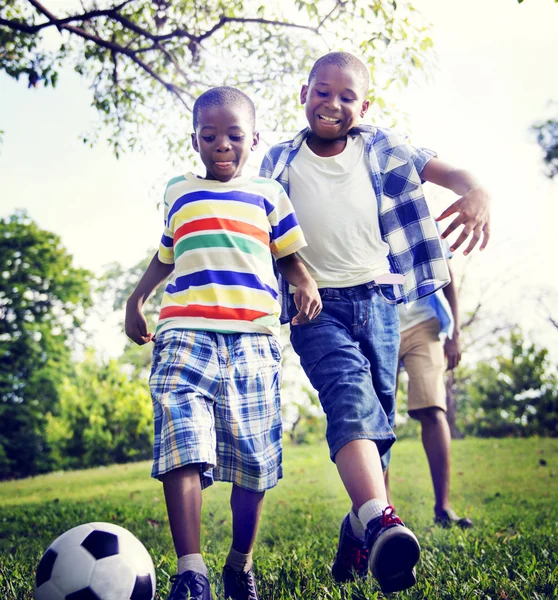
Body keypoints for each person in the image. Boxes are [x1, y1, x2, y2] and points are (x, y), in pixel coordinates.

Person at [260, 52, 490, 594]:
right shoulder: (277, 162)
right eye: (322, 91)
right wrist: (290, 276)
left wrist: (477, 190)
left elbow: (447, 170)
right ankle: (384, 521)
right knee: (348, 402)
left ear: (365, 107)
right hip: (315, 308)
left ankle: (357, 532)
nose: (332, 104)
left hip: (381, 303)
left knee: (378, 430)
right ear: (303, 93)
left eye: (346, 97)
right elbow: (256, 225)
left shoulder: (383, 147)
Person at [125, 86, 321, 600]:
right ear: (195, 139)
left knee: (253, 461)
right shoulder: (178, 192)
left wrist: (305, 282)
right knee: (180, 442)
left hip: (253, 340)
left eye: (234, 136)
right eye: (210, 136)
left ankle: (240, 564)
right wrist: (136, 299)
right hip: (183, 335)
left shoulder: (268, 195)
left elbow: (289, 257)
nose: (223, 146)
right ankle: (191, 572)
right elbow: (167, 254)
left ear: (253, 138)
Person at [390, 259, 474, 529]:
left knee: (433, 408)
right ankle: (383, 515)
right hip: (377, 323)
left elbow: (445, 273)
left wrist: (455, 335)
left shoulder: (424, 218)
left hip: (424, 322)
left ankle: (443, 508)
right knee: (377, 419)